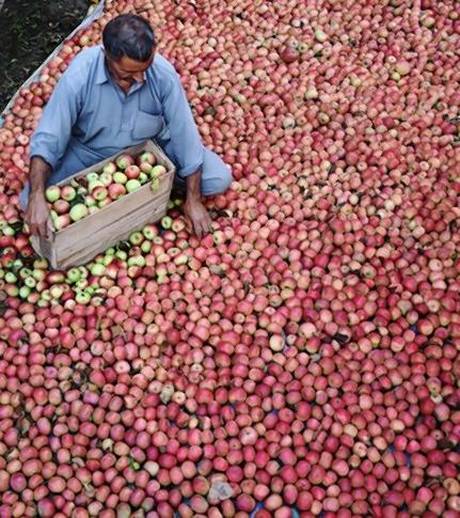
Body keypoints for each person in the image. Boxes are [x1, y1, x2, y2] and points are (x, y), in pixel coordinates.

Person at [21, 13, 232, 238]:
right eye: (129, 73)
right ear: (107, 57)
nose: (141, 78)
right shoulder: (80, 76)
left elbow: (185, 135)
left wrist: (194, 198)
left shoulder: (163, 74)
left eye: (145, 68)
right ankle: (150, 189)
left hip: (151, 150)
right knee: (29, 201)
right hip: (90, 152)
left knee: (218, 178)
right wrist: (37, 196)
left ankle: (160, 184)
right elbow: (49, 138)